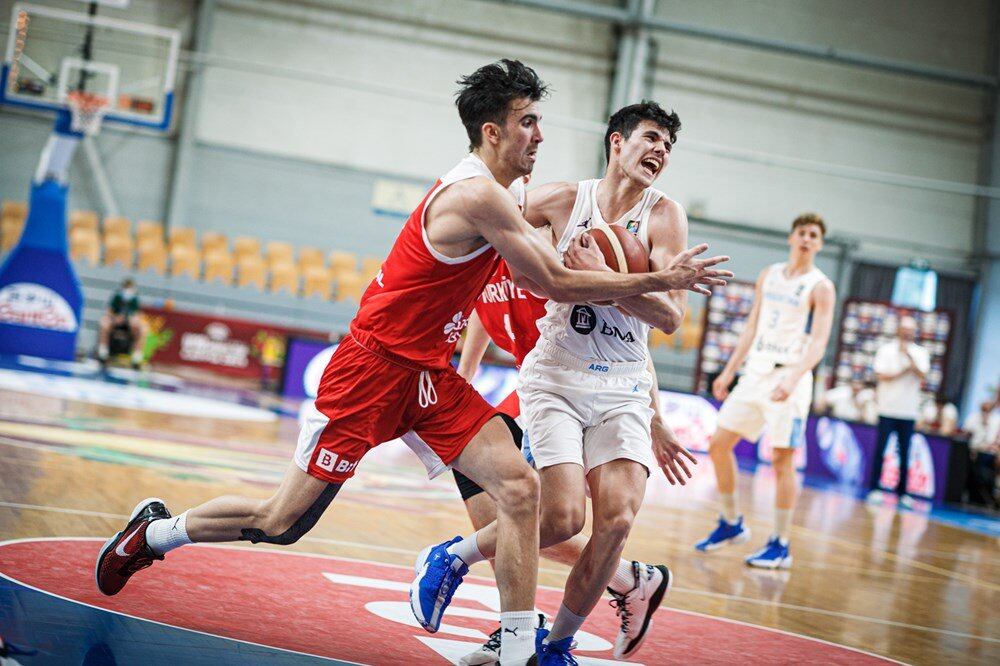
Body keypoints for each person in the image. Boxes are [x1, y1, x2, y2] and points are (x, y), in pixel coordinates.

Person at [95, 60, 731, 666]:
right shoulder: (479, 196)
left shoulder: (515, 194)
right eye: (528, 122)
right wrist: (662, 276)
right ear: (493, 131)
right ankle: (155, 534)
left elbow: (537, 281)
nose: (541, 134)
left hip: (428, 374)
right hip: (372, 369)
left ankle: (515, 649)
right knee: (281, 521)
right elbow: (557, 284)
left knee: (519, 487)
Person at [441, 101, 702, 664]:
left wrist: (601, 280)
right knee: (553, 518)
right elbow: (489, 234)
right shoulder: (555, 203)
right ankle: (496, 598)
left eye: (668, 145)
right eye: (650, 138)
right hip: (553, 375)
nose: (659, 150)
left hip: (623, 382)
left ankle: (552, 640)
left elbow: (670, 316)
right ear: (616, 141)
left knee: (615, 520)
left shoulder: (664, 216)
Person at [455, 257, 684, 662]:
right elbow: (480, 315)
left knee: (531, 515)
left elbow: (626, 342)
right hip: (534, 394)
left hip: (568, 390)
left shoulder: (534, 257)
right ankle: (627, 579)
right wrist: (464, 379)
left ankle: (516, 624)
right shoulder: (481, 259)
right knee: (505, 507)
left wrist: (656, 418)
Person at [694, 213, 836, 570]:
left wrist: (794, 377)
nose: (806, 239)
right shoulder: (769, 275)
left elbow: (819, 343)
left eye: (814, 235)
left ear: (819, 244)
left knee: (782, 460)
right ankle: (730, 522)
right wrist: (729, 370)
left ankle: (781, 544)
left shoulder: (820, 286)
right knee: (719, 444)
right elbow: (752, 326)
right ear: (791, 237)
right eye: (802, 232)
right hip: (756, 372)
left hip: (790, 376)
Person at [866, 316, 929, 510]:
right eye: (904, 329)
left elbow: (923, 374)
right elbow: (881, 375)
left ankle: (903, 493)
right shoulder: (886, 350)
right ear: (898, 329)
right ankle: (875, 489)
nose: (907, 333)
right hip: (887, 408)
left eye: (910, 330)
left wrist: (910, 359)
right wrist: (903, 370)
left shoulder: (920, 352)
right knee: (881, 450)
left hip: (908, 412)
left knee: (905, 453)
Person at [97, 277, 147, 369]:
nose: (128, 291)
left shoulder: (135, 299)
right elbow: (109, 311)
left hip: (130, 325)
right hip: (116, 322)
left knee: (143, 329)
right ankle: (102, 354)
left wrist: (133, 320)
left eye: (130, 288)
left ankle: (136, 358)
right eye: (126, 288)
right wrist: (114, 317)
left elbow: (137, 314)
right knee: (104, 324)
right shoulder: (117, 297)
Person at [962, 400, 999, 506]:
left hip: (988, 453)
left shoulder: (996, 420)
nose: (985, 412)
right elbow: (965, 435)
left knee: (984, 461)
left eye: (988, 410)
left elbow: (995, 442)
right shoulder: (973, 417)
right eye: (984, 410)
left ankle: (984, 498)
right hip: (972, 451)